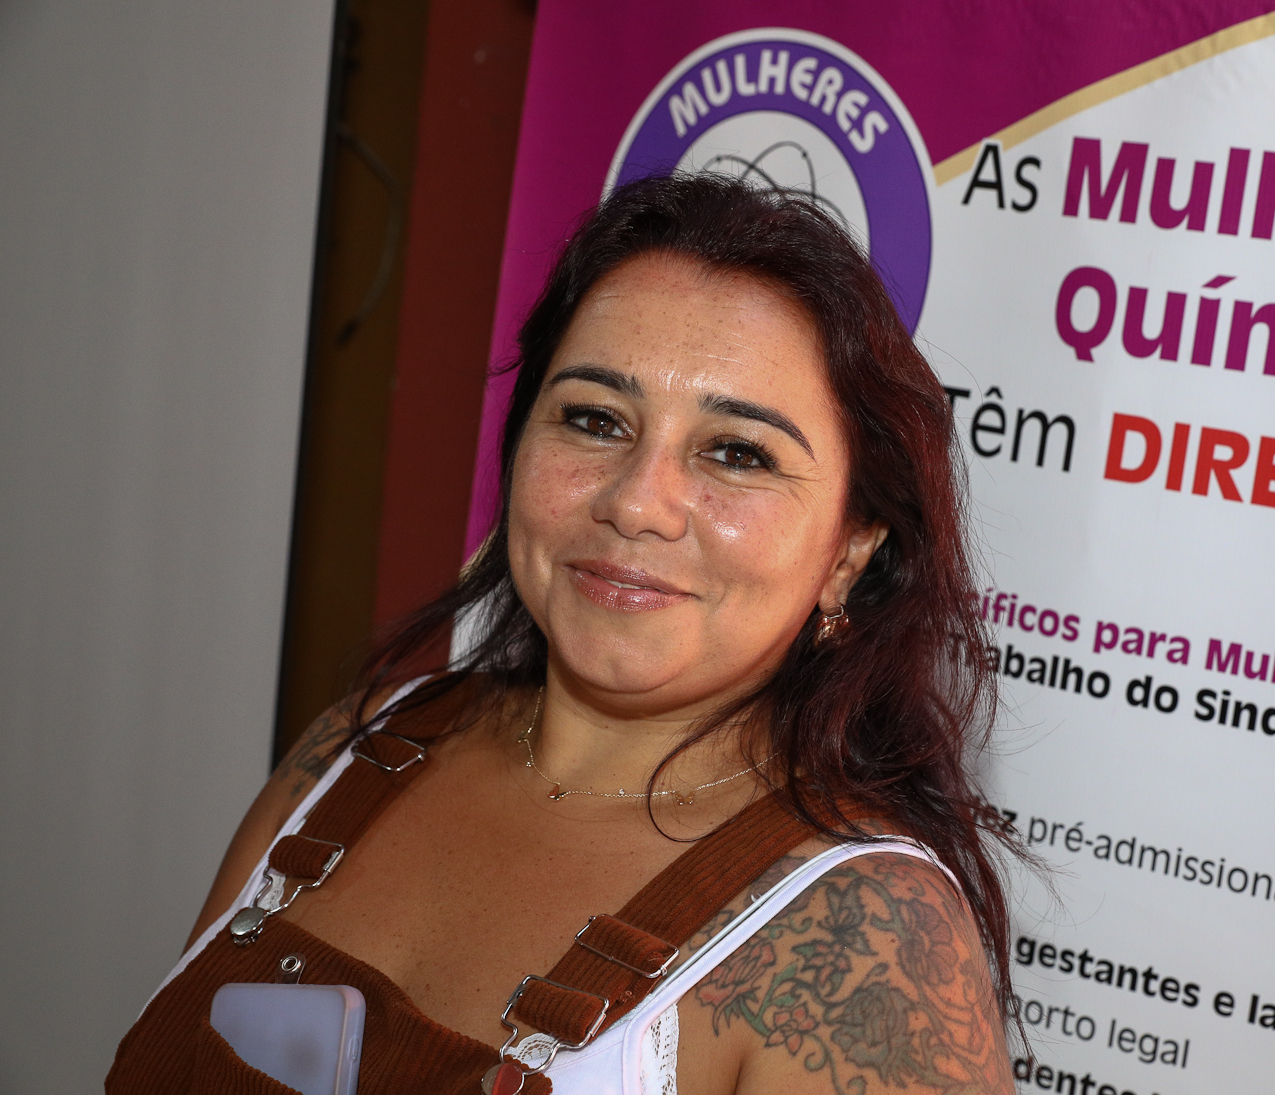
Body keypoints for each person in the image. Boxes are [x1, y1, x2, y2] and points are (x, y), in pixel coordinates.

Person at [108, 174, 1015, 1094]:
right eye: (593, 419)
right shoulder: (355, 753)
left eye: (737, 452)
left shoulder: (861, 941)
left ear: (850, 550)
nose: (633, 501)